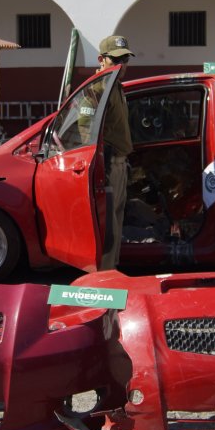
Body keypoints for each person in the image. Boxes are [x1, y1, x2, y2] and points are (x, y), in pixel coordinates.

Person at [96, 35, 134, 270]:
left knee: (117, 220)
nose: (122, 66)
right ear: (102, 59)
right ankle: (104, 280)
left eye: (125, 60)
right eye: (116, 60)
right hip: (106, 166)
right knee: (108, 227)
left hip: (120, 163)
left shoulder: (116, 86)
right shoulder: (98, 89)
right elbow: (84, 129)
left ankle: (113, 271)